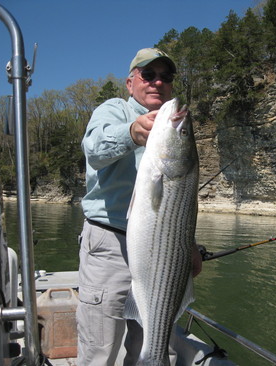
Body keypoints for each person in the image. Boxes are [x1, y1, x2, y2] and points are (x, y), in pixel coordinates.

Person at [77, 48, 202, 366]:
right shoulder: (114, 110)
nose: (158, 82)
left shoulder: (171, 134)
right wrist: (131, 132)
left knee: (154, 347)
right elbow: (93, 150)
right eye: (149, 75)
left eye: (166, 77)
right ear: (131, 82)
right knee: (100, 350)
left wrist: (189, 246)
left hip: (164, 254)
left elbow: (182, 209)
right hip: (109, 245)